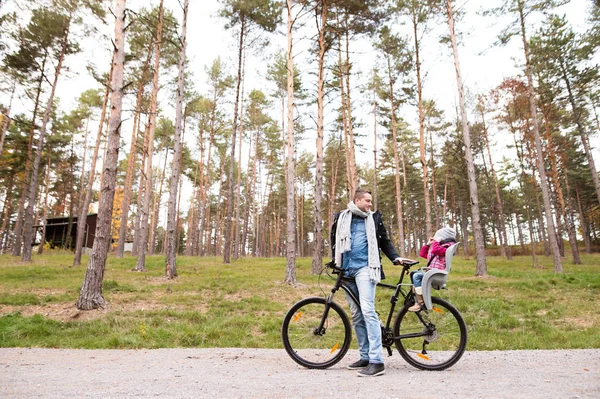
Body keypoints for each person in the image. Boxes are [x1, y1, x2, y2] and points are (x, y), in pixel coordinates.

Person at [330, 189, 402, 377]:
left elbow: (384, 241)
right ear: (357, 200)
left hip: (365, 268)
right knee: (356, 314)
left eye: (371, 201)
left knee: (368, 310)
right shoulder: (342, 218)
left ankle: (377, 361)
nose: (370, 204)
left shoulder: (373, 219)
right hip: (346, 269)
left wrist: (394, 258)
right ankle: (365, 356)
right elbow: (335, 241)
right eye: (367, 201)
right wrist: (334, 262)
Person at [409, 227, 457, 312]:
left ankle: (420, 303)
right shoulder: (441, 247)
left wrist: (436, 241)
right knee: (413, 273)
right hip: (432, 272)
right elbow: (423, 254)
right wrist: (427, 244)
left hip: (436, 274)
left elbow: (435, 250)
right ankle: (417, 297)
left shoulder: (447, 247)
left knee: (416, 276)